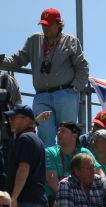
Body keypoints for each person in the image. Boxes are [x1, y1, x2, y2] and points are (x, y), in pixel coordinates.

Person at [0, 8, 89, 147]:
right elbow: (19, 59)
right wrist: (3, 61)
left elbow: (82, 67)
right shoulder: (34, 40)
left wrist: (75, 88)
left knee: (67, 137)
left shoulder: (71, 41)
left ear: (59, 24)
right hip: (41, 96)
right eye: (43, 24)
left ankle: (68, 168)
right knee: (44, 135)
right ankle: (48, 168)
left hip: (65, 94)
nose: (45, 27)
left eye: (49, 24)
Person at [4, 104, 48, 207]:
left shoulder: (25, 139)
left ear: (27, 120)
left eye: (14, 117)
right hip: (37, 200)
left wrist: (13, 198)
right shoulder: (37, 140)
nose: (10, 120)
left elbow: (24, 168)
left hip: (24, 200)